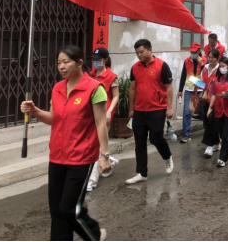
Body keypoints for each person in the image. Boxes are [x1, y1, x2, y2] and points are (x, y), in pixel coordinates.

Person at [20, 46, 110, 241]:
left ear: (79, 63)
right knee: (56, 211)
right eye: (59, 62)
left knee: (69, 209)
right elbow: (54, 119)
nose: (61, 66)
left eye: (66, 62)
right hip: (57, 156)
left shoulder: (95, 89)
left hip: (81, 158)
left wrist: (105, 156)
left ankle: (94, 234)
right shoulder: (58, 88)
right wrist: (34, 110)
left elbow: (100, 123)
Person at [126, 39, 174, 185]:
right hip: (140, 110)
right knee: (139, 142)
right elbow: (132, 88)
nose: (139, 55)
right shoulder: (135, 68)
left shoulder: (162, 65)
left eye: (141, 52)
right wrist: (131, 109)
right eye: (137, 53)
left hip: (157, 109)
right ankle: (142, 173)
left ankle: (167, 157)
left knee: (156, 138)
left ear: (150, 50)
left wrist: (169, 107)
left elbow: (169, 87)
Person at [87, 47, 120, 192]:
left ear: (105, 60)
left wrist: (109, 111)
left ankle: (92, 180)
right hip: (91, 114)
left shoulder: (111, 76)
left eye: (98, 60)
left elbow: (116, 96)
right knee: (95, 146)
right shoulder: (90, 75)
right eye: (93, 60)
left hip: (104, 115)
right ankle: (110, 160)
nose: (95, 62)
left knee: (97, 147)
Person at [208, 57, 228, 167]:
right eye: (220, 66)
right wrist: (210, 107)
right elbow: (213, 94)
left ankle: (223, 158)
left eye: (223, 66)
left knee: (226, 134)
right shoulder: (216, 79)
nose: (222, 68)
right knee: (221, 133)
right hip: (219, 109)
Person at [176, 42, 204, 144]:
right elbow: (183, 75)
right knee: (187, 112)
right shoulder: (187, 61)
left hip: (201, 90)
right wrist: (180, 90)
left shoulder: (205, 60)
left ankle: (209, 133)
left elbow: (207, 74)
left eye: (194, 52)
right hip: (189, 89)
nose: (192, 53)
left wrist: (202, 64)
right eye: (191, 52)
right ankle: (186, 134)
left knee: (204, 113)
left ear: (199, 51)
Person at [200, 48, 221, 157]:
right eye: (210, 57)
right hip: (205, 99)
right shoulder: (204, 68)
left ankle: (209, 146)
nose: (211, 59)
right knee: (207, 121)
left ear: (217, 58)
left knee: (211, 122)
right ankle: (217, 143)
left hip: (215, 99)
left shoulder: (219, 69)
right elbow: (201, 82)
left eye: (213, 57)